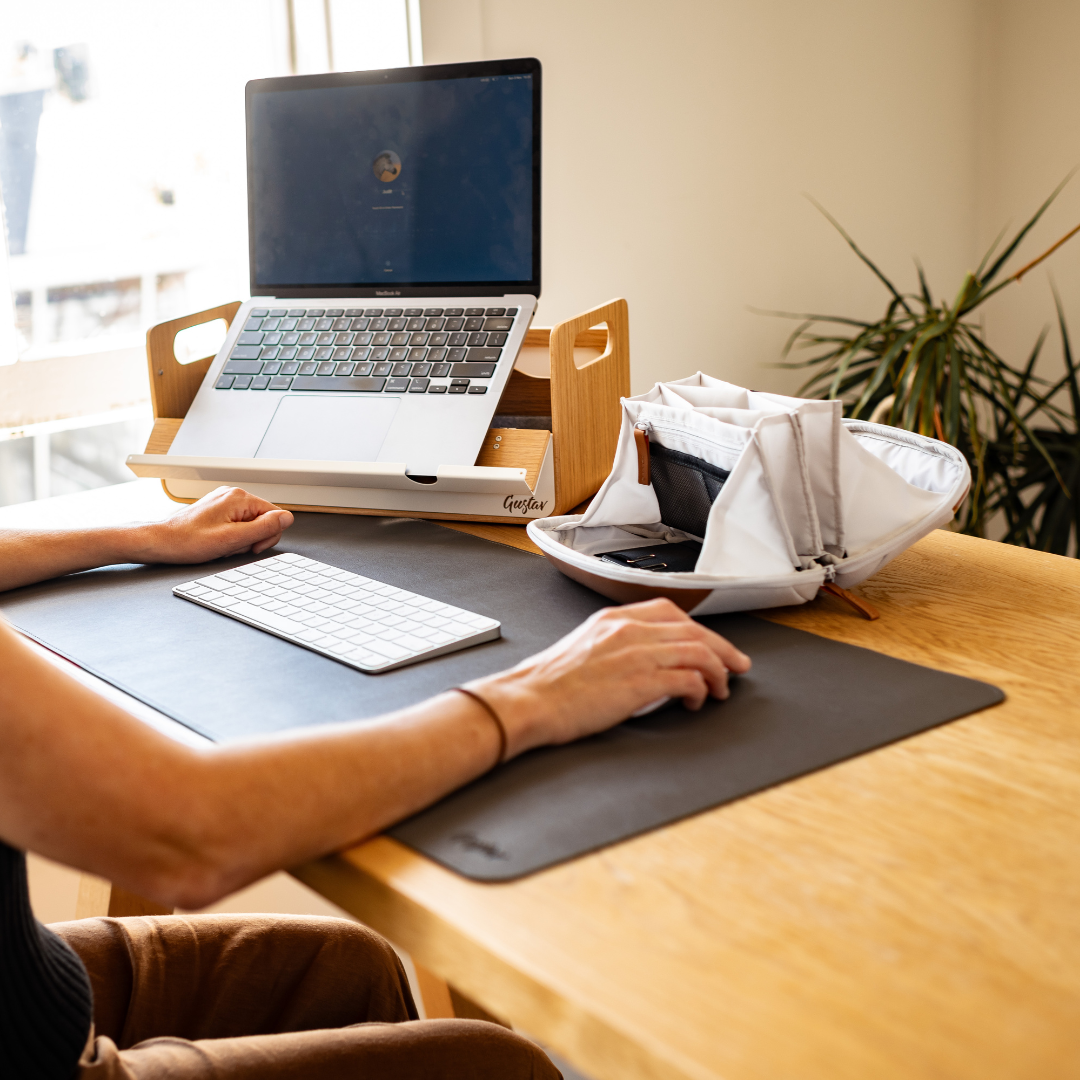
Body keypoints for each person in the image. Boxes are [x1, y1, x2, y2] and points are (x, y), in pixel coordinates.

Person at [0, 486, 751, 1079]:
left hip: (30, 987)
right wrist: (536, 695)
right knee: (496, 1066)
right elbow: (187, 834)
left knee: (345, 967)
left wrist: (144, 539)